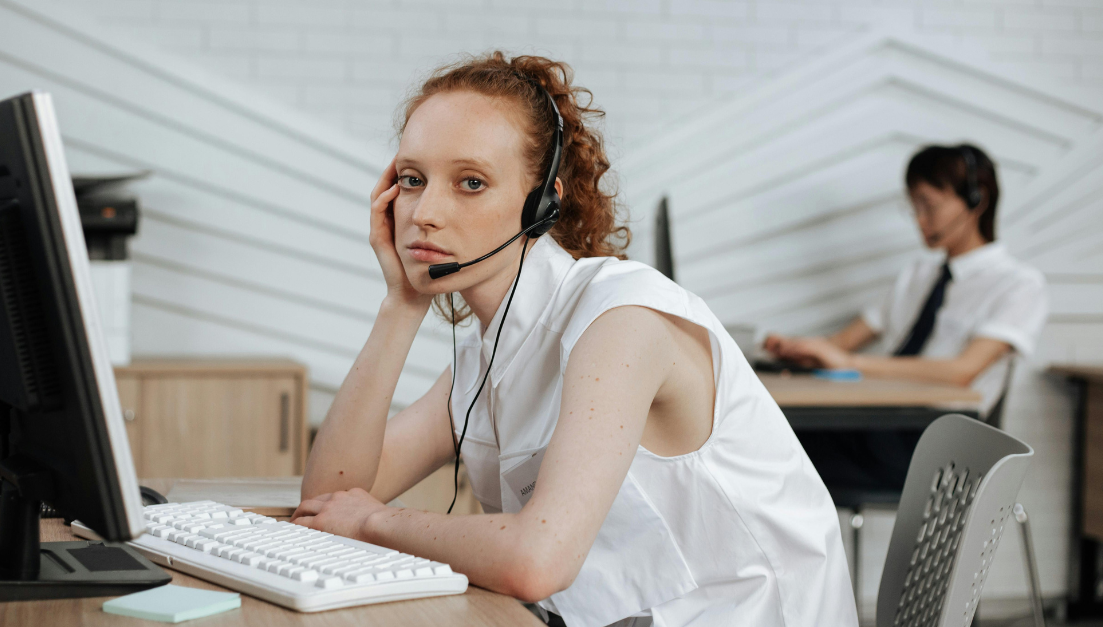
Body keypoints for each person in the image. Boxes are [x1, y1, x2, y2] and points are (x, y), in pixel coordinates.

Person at [292, 52, 856, 627]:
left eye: (471, 183)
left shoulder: (621, 319)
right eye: (412, 181)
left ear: (542, 203)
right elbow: (330, 496)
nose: (425, 212)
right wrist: (401, 304)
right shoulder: (485, 354)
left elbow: (537, 561)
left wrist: (374, 523)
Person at [763, 144, 1048, 489]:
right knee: (766, 437)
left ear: (977, 200)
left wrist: (849, 362)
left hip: (939, 451)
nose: (919, 220)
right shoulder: (916, 275)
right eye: (913, 206)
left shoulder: (1018, 285)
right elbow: (842, 343)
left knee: (773, 455)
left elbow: (962, 372)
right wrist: (800, 349)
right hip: (877, 426)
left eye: (929, 205)